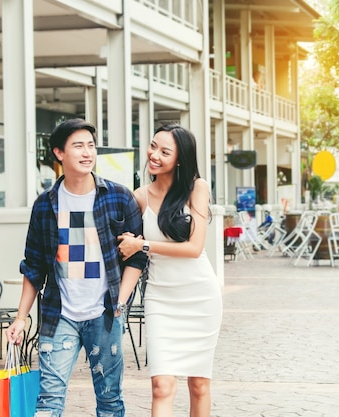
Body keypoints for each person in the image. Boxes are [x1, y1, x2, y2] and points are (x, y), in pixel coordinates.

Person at [6, 118, 148, 417]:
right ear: (59, 153)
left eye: (91, 146)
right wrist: (20, 318)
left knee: (110, 401)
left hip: (105, 313)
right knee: (48, 399)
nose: (87, 153)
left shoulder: (119, 197)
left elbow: (137, 257)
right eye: (78, 146)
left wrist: (120, 302)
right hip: (61, 315)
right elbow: (34, 266)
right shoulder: (45, 204)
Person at [117, 123, 223, 417]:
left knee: (199, 384)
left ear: (180, 159)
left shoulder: (196, 188)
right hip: (161, 299)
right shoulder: (139, 197)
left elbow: (194, 248)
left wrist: (143, 246)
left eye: (165, 152)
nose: (154, 155)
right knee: (162, 386)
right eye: (153, 146)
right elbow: (129, 248)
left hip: (200, 296)